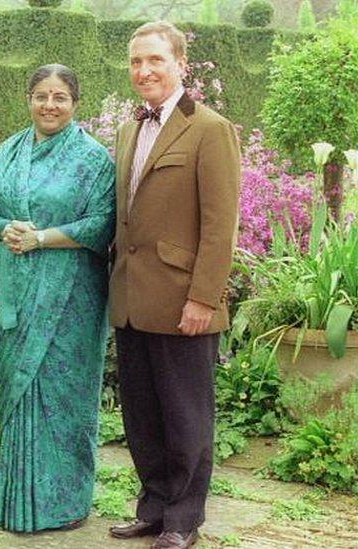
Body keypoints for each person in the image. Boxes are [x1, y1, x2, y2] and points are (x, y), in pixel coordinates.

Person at [108, 21, 240, 549]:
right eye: (137, 62)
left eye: (156, 61)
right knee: (142, 413)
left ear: (180, 64)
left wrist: (204, 297)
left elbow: (220, 223)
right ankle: (154, 508)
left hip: (185, 299)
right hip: (133, 298)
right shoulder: (127, 130)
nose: (145, 71)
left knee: (186, 413)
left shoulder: (210, 129)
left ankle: (184, 518)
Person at [0, 64, 115, 533]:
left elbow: (103, 223)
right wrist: (5, 228)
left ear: (75, 103)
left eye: (59, 97)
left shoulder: (93, 158)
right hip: (18, 294)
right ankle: (16, 503)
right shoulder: (10, 149)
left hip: (71, 301)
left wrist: (44, 238)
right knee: (18, 392)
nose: (49, 105)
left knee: (63, 396)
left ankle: (65, 503)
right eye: (40, 96)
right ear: (28, 99)